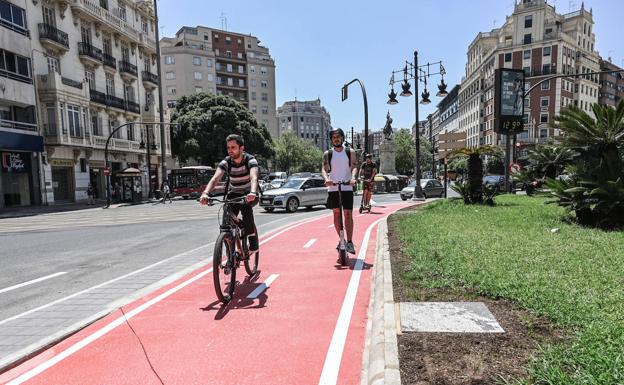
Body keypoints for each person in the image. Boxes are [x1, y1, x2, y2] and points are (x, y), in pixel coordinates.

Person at [200, 134, 259, 253]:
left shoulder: (250, 160)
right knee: (226, 221)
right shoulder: (226, 162)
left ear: (241, 148)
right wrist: (205, 193)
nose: (230, 150)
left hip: (249, 193)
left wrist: (253, 192)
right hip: (233, 193)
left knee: (246, 208)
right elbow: (215, 178)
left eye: (233, 147)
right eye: (228, 148)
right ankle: (235, 249)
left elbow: (254, 177)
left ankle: (253, 241)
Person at [322, 128, 358, 254]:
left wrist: (353, 178)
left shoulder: (350, 152)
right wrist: (327, 179)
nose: (336, 139)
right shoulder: (328, 153)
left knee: (348, 214)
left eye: (338, 136)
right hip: (333, 188)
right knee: (336, 214)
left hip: (347, 187)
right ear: (331, 139)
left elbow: (354, 166)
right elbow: (324, 168)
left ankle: (349, 242)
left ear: (342, 138)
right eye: (333, 137)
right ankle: (341, 239)